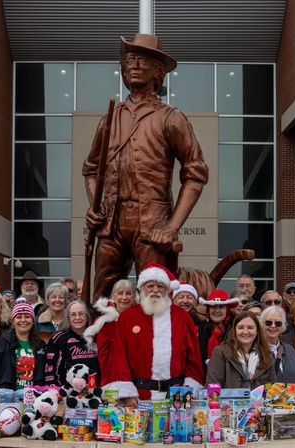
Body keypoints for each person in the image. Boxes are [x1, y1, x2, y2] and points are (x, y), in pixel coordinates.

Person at [83, 33, 209, 300]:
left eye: (143, 60)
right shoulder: (109, 119)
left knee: (155, 298)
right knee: (102, 299)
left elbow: (195, 173)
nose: (135, 66)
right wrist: (95, 207)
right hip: (111, 224)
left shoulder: (171, 118)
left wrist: (172, 226)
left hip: (153, 224)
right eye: (130, 61)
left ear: (157, 71)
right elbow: (91, 169)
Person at [101, 263, 204, 407]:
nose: (155, 290)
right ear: (142, 288)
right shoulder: (127, 318)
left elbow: (193, 358)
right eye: (150, 286)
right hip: (138, 396)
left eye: (160, 286)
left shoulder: (182, 317)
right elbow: (119, 357)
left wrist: (188, 391)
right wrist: (127, 393)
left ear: (167, 289)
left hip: (177, 395)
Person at [34, 300, 100, 387]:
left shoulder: (97, 337)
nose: (77, 318)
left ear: (87, 316)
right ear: (68, 318)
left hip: (95, 389)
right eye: (73, 314)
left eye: (81, 314)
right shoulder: (58, 338)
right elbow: (50, 370)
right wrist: (57, 391)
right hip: (67, 392)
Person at [206, 310, 276, 390]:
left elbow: (272, 388)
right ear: (234, 330)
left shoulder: (267, 355)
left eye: (250, 328)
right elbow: (212, 386)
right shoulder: (221, 352)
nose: (245, 332)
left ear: (257, 330)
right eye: (241, 327)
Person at [0, 300, 43, 393]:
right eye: (19, 317)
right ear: (13, 320)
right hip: (7, 396)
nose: (23, 320)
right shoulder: (2, 343)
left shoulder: (41, 345)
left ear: (33, 320)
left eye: (27, 317)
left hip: (33, 396)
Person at [260, 306, 295, 392]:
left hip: (293, 399)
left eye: (278, 323)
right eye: (268, 322)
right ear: (261, 324)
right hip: (265, 400)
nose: (273, 326)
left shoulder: (291, 350)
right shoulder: (256, 351)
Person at [197, 289, 240, 366]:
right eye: (213, 307)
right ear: (208, 310)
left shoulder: (235, 331)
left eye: (221, 307)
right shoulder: (198, 331)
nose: (217, 311)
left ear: (227, 310)